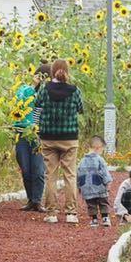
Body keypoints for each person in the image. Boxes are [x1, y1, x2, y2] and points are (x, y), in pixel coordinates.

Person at [33, 58, 84, 224]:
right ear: (67, 72)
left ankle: (52, 213)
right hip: (69, 139)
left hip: (48, 138)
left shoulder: (44, 90)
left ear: (51, 72)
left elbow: (36, 110)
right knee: (70, 175)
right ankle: (71, 213)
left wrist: (35, 127)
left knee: (50, 176)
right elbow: (80, 109)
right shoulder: (75, 90)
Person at [13, 63, 50, 211]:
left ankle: (37, 201)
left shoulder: (47, 94)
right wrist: (33, 87)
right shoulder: (25, 90)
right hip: (22, 133)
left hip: (39, 135)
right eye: (40, 77)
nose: (41, 80)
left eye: (45, 78)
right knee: (26, 169)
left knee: (38, 170)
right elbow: (18, 106)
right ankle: (30, 200)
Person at [76, 135, 112, 227]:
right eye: (102, 149)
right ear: (98, 148)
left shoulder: (82, 161)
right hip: (99, 186)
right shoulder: (100, 160)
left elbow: (78, 174)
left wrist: (79, 186)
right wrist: (108, 182)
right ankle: (105, 218)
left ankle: (94, 219)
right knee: (103, 202)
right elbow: (104, 172)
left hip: (86, 188)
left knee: (91, 204)